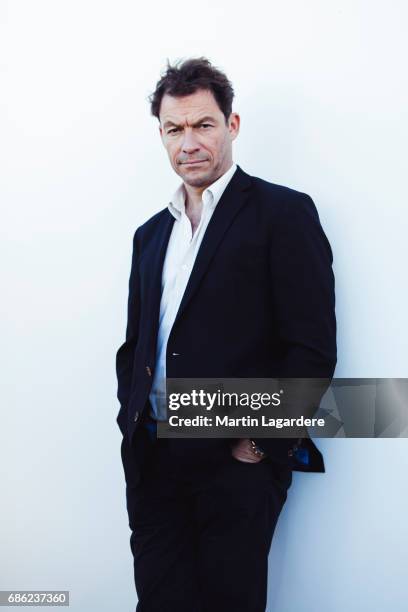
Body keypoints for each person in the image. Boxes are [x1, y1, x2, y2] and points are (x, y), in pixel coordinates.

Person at [116, 57, 337, 612]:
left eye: (203, 125)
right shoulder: (149, 235)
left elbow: (310, 349)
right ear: (161, 135)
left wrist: (260, 445)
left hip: (234, 466)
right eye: (174, 129)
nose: (188, 142)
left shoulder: (282, 214)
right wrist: (133, 418)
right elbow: (136, 344)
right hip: (154, 462)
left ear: (231, 126)